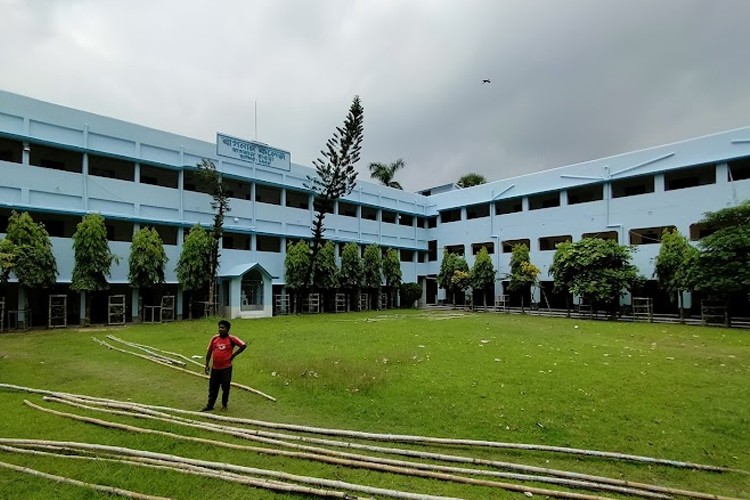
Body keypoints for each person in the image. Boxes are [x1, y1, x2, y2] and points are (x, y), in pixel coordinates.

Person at [202, 320, 246, 411]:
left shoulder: (231, 339)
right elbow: (209, 351)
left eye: (223, 328)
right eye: (219, 327)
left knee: (225, 387)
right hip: (215, 368)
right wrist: (207, 364)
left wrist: (233, 355)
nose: (220, 329)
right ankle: (210, 405)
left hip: (226, 368)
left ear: (227, 329)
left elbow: (243, 345)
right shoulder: (214, 339)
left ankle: (224, 405)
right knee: (213, 388)